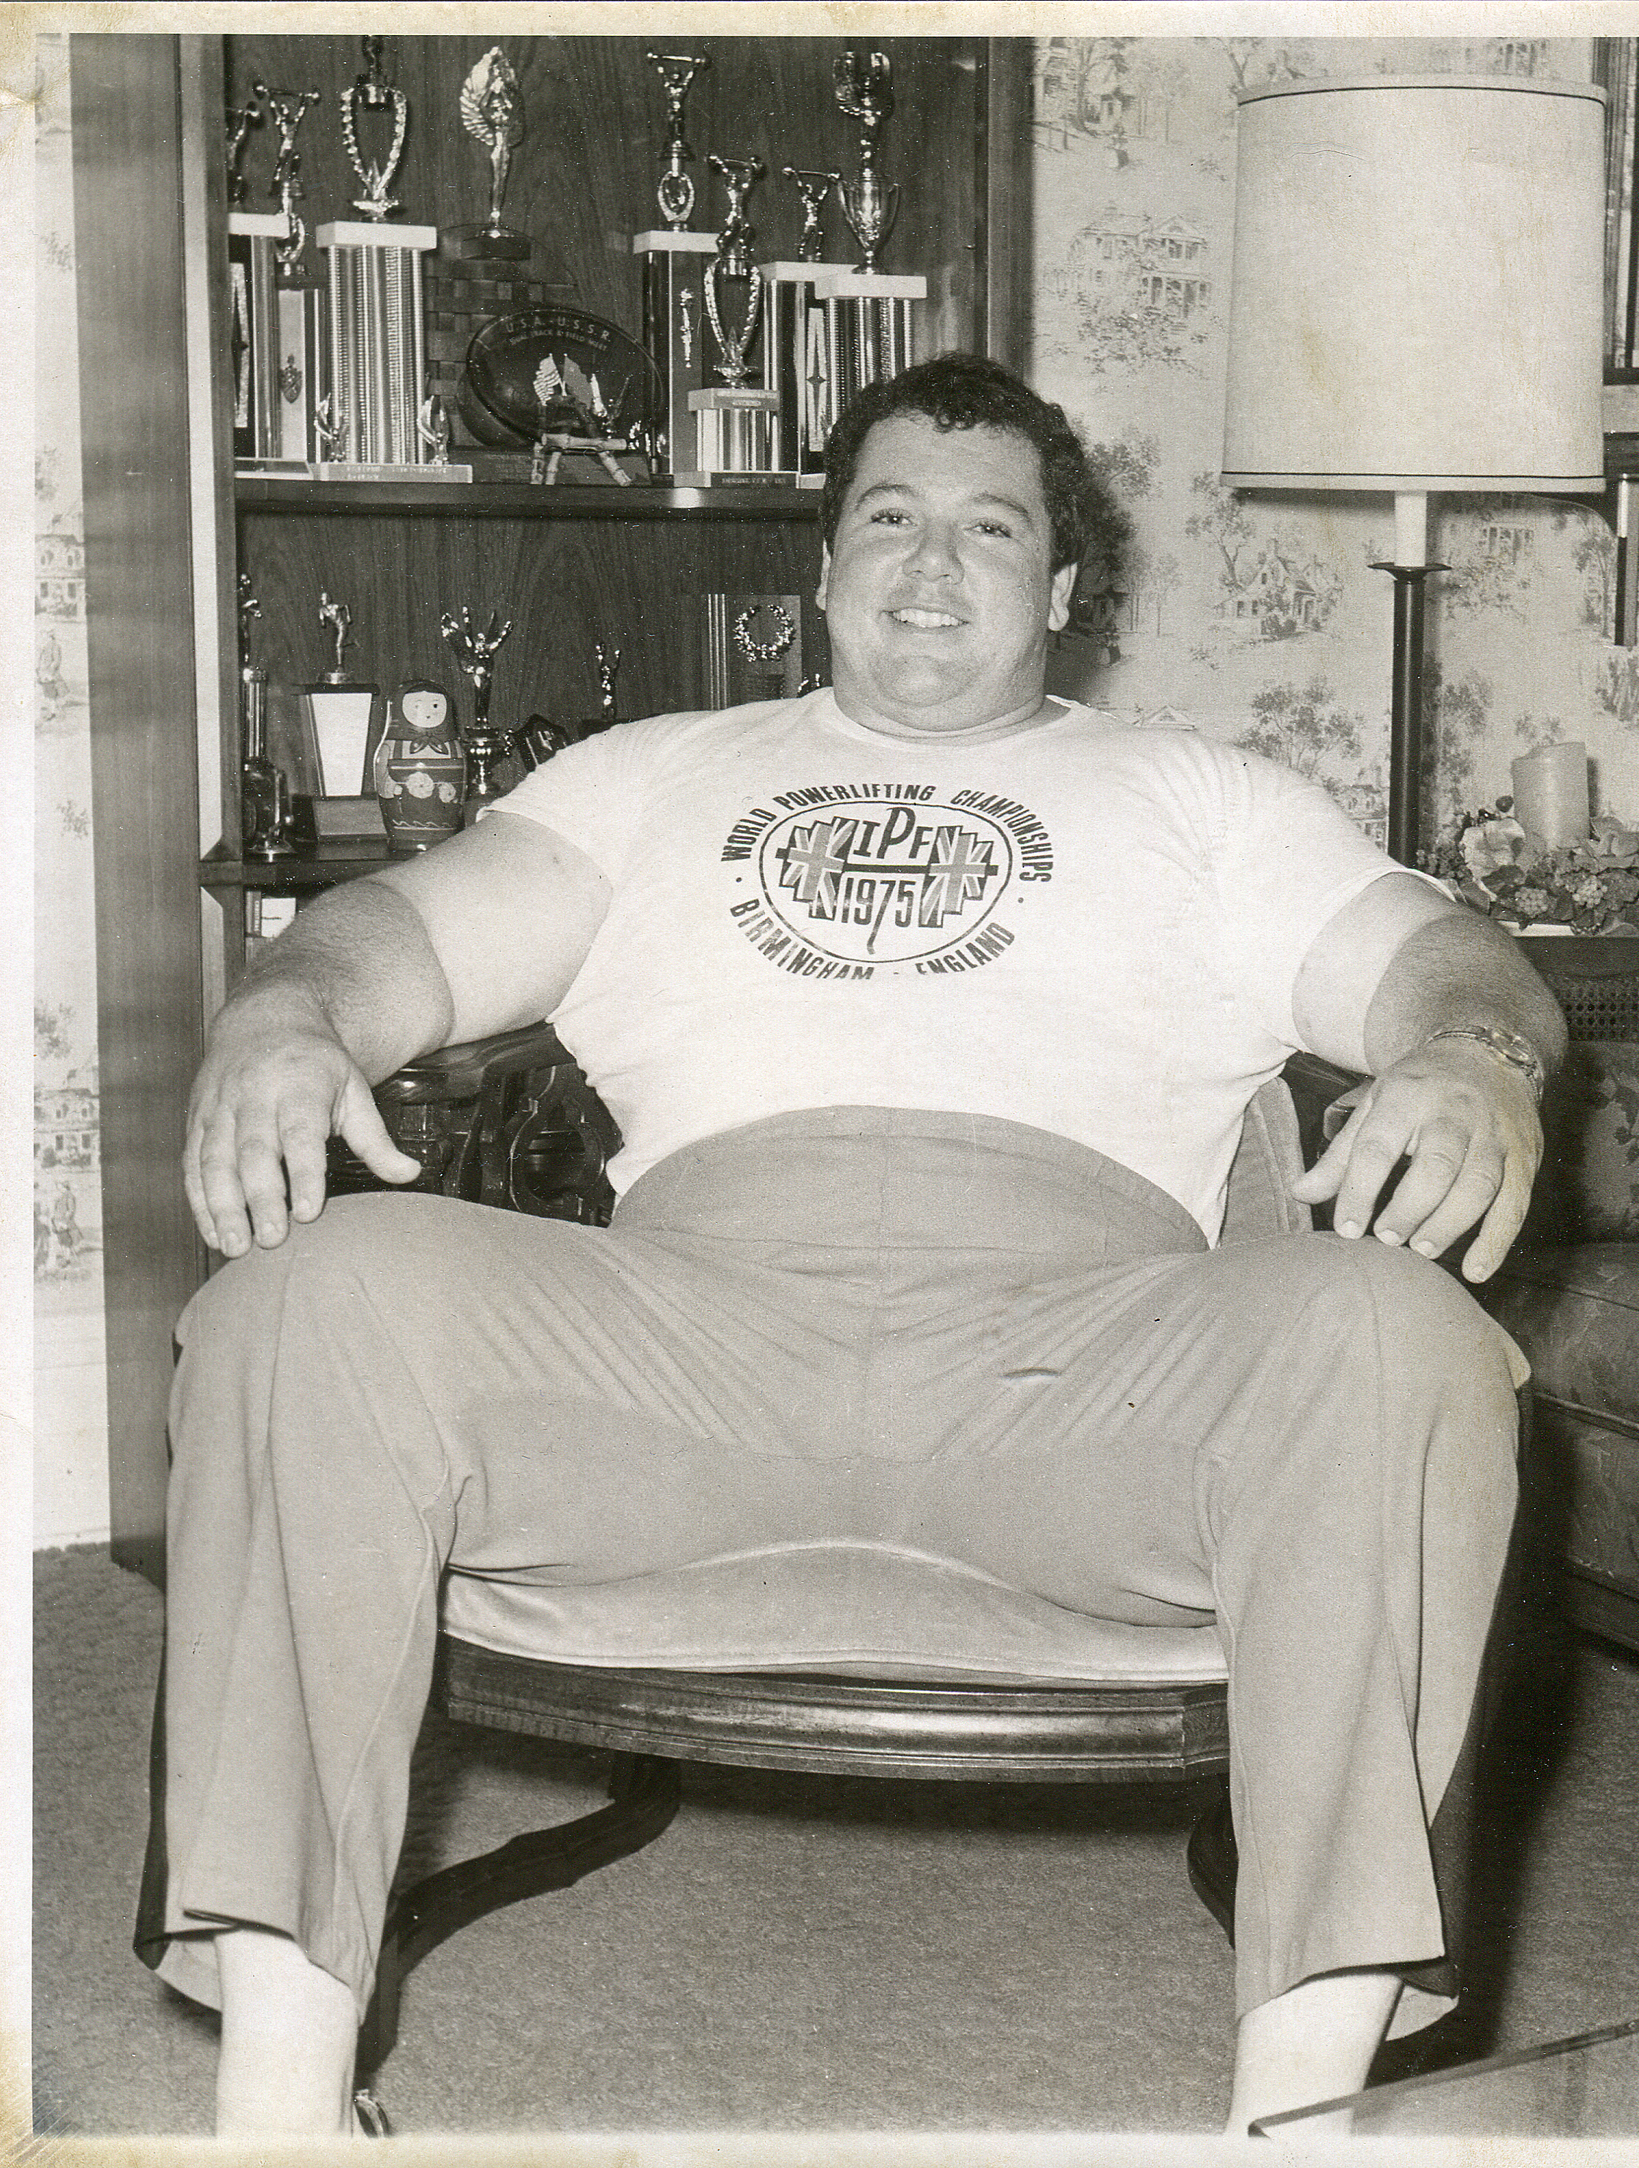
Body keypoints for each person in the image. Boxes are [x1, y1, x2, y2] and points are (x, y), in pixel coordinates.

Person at [136, 353, 1564, 2137]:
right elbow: (393, 937)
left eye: (991, 529)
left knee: (1399, 1334)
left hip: (1086, 1374)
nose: (932, 565)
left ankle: (1297, 2117)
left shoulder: (1206, 799)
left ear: (1064, 586)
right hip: (678, 1355)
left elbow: (1451, 964)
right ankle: (281, 2097)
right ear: (822, 569)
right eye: (889, 517)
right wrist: (289, 1016)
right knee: (306, 1299)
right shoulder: (650, 776)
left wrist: (1475, 1057)